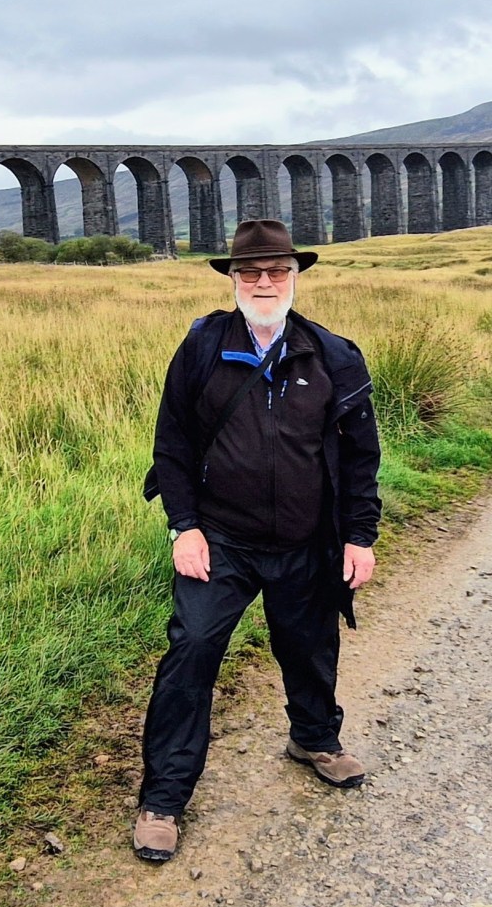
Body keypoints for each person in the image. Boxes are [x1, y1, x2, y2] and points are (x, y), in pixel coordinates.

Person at [135, 219, 382, 863]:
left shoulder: (334, 355)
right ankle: (163, 799)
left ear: (295, 277)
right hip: (221, 541)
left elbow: (361, 457)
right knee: (191, 652)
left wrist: (359, 536)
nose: (264, 282)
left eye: (277, 271)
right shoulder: (202, 347)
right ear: (234, 279)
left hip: (306, 540)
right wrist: (184, 526)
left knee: (310, 646)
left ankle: (314, 739)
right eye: (251, 272)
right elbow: (172, 445)